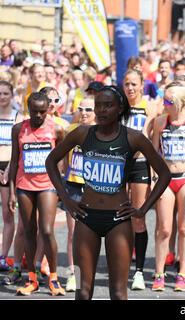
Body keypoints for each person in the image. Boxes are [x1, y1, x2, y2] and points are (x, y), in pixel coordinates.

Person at [44, 85, 171, 300]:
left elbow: (164, 174)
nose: (101, 110)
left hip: (118, 219)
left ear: (120, 108)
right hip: (86, 217)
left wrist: (142, 210)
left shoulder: (133, 138)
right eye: (98, 106)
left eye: (108, 105)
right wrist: (65, 199)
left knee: (118, 292)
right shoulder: (83, 133)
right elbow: (51, 161)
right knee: (83, 291)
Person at [8, 92, 66, 296]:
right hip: (24, 185)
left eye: (43, 111)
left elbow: (61, 160)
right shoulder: (18, 129)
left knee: (47, 231)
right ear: (28, 109)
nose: (39, 115)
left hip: (47, 185)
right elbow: (15, 161)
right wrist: (13, 192)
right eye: (35, 111)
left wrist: (61, 187)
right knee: (29, 231)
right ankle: (31, 278)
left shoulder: (56, 129)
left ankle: (54, 278)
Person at [151, 84, 185, 292]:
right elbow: (154, 154)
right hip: (166, 178)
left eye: (168, 102)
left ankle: (182, 274)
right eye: (163, 100)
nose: (164, 104)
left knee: (184, 228)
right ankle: (159, 273)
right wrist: (153, 179)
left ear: (181, 104)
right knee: (164, 229)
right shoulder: (160, 122)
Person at [122, 69, 154, 290]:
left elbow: (150, 137)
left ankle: (140, 272)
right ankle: (121, 264)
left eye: (134, 84)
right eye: (127, 84)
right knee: (119, 216)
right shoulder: (119, 106)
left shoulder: (151, 106)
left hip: (140, 163)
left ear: (142, 85)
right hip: (119, 164)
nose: (130, 88)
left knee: (138, 216)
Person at [60, 97, 96, 292]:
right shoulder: (72, 129)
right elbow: (65, 158)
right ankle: (73, 275)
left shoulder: (101, 131)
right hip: (73, 186)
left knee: (93, 233)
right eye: (80, 109)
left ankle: (88, 273)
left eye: (88, 110)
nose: (83, 113)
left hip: (94, 189)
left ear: (96, 112)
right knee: (73, 234)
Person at [0, 81, 24, 271]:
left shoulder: (18, 117)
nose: (2, 97)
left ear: (12, 95)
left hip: (9, 167)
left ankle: (3, 256)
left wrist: (8, 169)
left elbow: (18, 148)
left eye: (6, 93)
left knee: (8, 215)